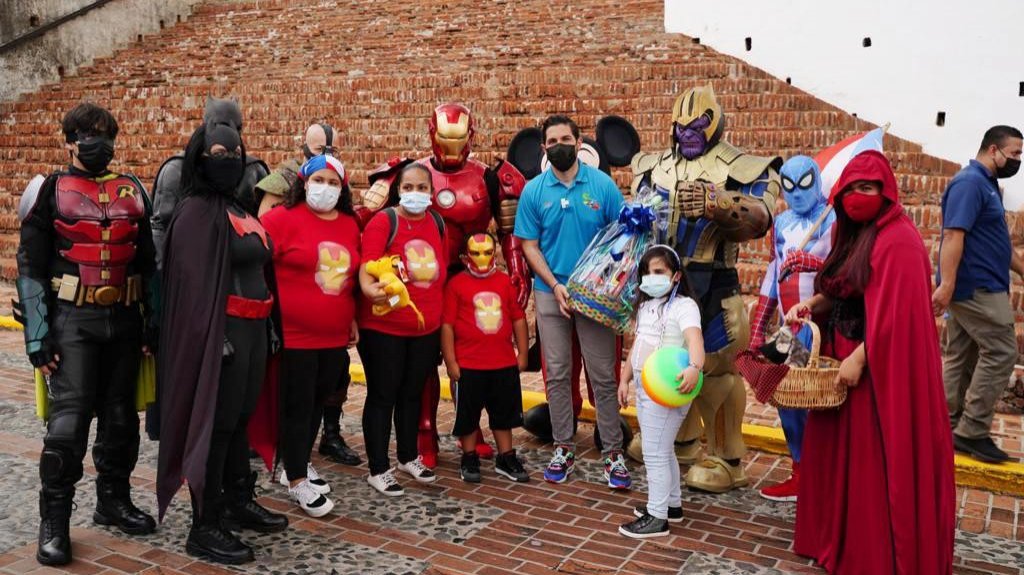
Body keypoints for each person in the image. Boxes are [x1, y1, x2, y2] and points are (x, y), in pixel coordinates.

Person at [790, 150, 955, 575]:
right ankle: (833, 538)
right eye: (851, 189)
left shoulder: (899, 240)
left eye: (867, 188)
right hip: (841, 355)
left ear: (885, 192)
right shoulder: (856, 232)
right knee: (835, 455)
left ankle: (870, 553)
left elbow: (898, 318)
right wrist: (811, 304)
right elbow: (845, 288)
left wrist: (861, 358)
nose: (858, 196)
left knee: (871, 465)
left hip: (877, 372)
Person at [15, 103, 157, 566]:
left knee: (120, 420)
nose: (98, 141)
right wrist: (37, 336)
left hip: (124, 318)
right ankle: (53, 520)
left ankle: (112, 501)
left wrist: (151, 322)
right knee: (68, 426)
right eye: (89, 133)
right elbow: (30, 266)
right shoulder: (49, 189)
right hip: (72, 319)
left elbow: (147, 263)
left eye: (105, 133)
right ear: (70, 140)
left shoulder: (133, 188)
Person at [357, 103, 528, 469]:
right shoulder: (407, 175)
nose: (451, 149)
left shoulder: (491, 176)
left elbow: (509, 230)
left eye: (458, 139)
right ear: (431, 133)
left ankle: (472, 431)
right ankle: (424, 432)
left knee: (469, 359)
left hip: (472, 277)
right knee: (422, 365)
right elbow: (364, 220)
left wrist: (516, 269)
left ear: (471, 136)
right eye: (444, 139)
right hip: (420, 283)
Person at [630, 84, 780, 492]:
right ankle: (679, 439)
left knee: (715, 368)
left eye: (697, 126)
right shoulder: (652, 165)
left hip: (714, 279)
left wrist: (719, 203)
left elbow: (761, 218)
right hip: (663, 281)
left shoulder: (741, 167)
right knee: (666, 358)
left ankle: (726, 455)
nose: (688, 134)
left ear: (714, 123)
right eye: (681, 127)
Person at [156, 122, 288, 565]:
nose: (228, 158)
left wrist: (269, 328)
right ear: (199, 155)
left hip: (253, 331)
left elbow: (261, 272)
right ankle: (204, 524)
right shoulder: (193, 212)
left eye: (235, 152)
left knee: (240, 423)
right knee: (216, 428)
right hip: (222, 335)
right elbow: (191, 290)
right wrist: (212, 340)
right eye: (217, 150)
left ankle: (236, 500)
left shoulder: (241, 208)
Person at [514, 114, 631, 488]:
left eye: (566, 138)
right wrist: (554, 284)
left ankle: (613, 453)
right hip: (552, 294)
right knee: (559, 375)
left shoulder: (603, 186)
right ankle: (564, 446)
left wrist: (603, 286)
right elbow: (529, 246)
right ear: (544, 147)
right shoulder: (534, 191)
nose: (560, 145)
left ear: (579, 143)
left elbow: (622, 240)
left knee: (603, 377)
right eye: (553, 140)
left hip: (595, 298)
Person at [261, 154, 361, 516]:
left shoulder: (350, 224)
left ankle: (297, 460)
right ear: (303, 182)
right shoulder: (280, 220)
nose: (326, 188)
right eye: (319, 180)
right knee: (297, 405)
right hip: (294, 334)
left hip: (334, 334)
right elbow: (256, 266)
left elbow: (350, 279)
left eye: (334, 183)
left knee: (320, 401)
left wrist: (351, 318)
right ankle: (296, 480)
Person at [933, 125, 1023, 463]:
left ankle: (947, 426)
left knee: (961, 355)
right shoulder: (969, 183)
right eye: (1014, 153)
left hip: (981, 283)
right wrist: (947, 285)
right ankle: (972, 431)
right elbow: (954, 236)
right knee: (1002, 351)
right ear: (993, 149)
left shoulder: (987, 186)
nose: (1017, 160)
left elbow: (999, 243)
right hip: (976, 287)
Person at [748, 155, 835, 501]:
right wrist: (758, 326)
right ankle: (801, 469)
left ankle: (820, 473)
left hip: (823, 324)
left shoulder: (833, 218)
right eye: (789, 185)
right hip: (790, 327)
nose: (797, 192)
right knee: (787, 396)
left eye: (804, 183)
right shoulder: (781, 222)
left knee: (820, 397)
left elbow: (844, 268)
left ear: (816, 180)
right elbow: (773, 273)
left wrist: (812, 261)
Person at [358, 163, 446, 496]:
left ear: (432, 192)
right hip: (384, 328)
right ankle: (378, 467)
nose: (415, 193)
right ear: (398, 190)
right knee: (383, 395)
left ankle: (409, 455)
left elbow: (440, 275)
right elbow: (367, 267)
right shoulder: (385, 221)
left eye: (422, 187)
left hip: (425, 328)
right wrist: (369, 289)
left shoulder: (437, 223)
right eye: (408, 187)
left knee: (412, 394)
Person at [617, 245, 704, 539]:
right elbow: (638, 345)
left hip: (667, 389)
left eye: (659, 272)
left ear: (676, 275)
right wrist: (625, 379)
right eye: (646, 273)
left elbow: (695, 341)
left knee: (653, 453)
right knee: (663, 449)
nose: (651, 278)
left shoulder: (684, 306)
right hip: (644, 386)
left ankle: (657, 516)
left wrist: (694, 367)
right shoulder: (644, 306)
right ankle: (672, 506)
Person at [442, 233, 530, 484]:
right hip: (468, 365)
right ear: (465, 256)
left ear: (496, 254)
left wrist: (522, 353)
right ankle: (469, 456)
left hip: (502, 363)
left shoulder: (504, 282)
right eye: (476, 252)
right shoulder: (456, 284)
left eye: (488, 252)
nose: (482, 258)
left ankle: (506, 456)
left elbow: (518, 318)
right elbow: (447, 326)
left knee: (504, 415)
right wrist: (451, 361)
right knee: (468, 417)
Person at [255, 122, 339, 217]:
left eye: (333, 151)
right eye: (319, 149)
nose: (326, 156)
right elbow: (264, 224)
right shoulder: (282, 181)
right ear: (306, 148)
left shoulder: (338, 185)